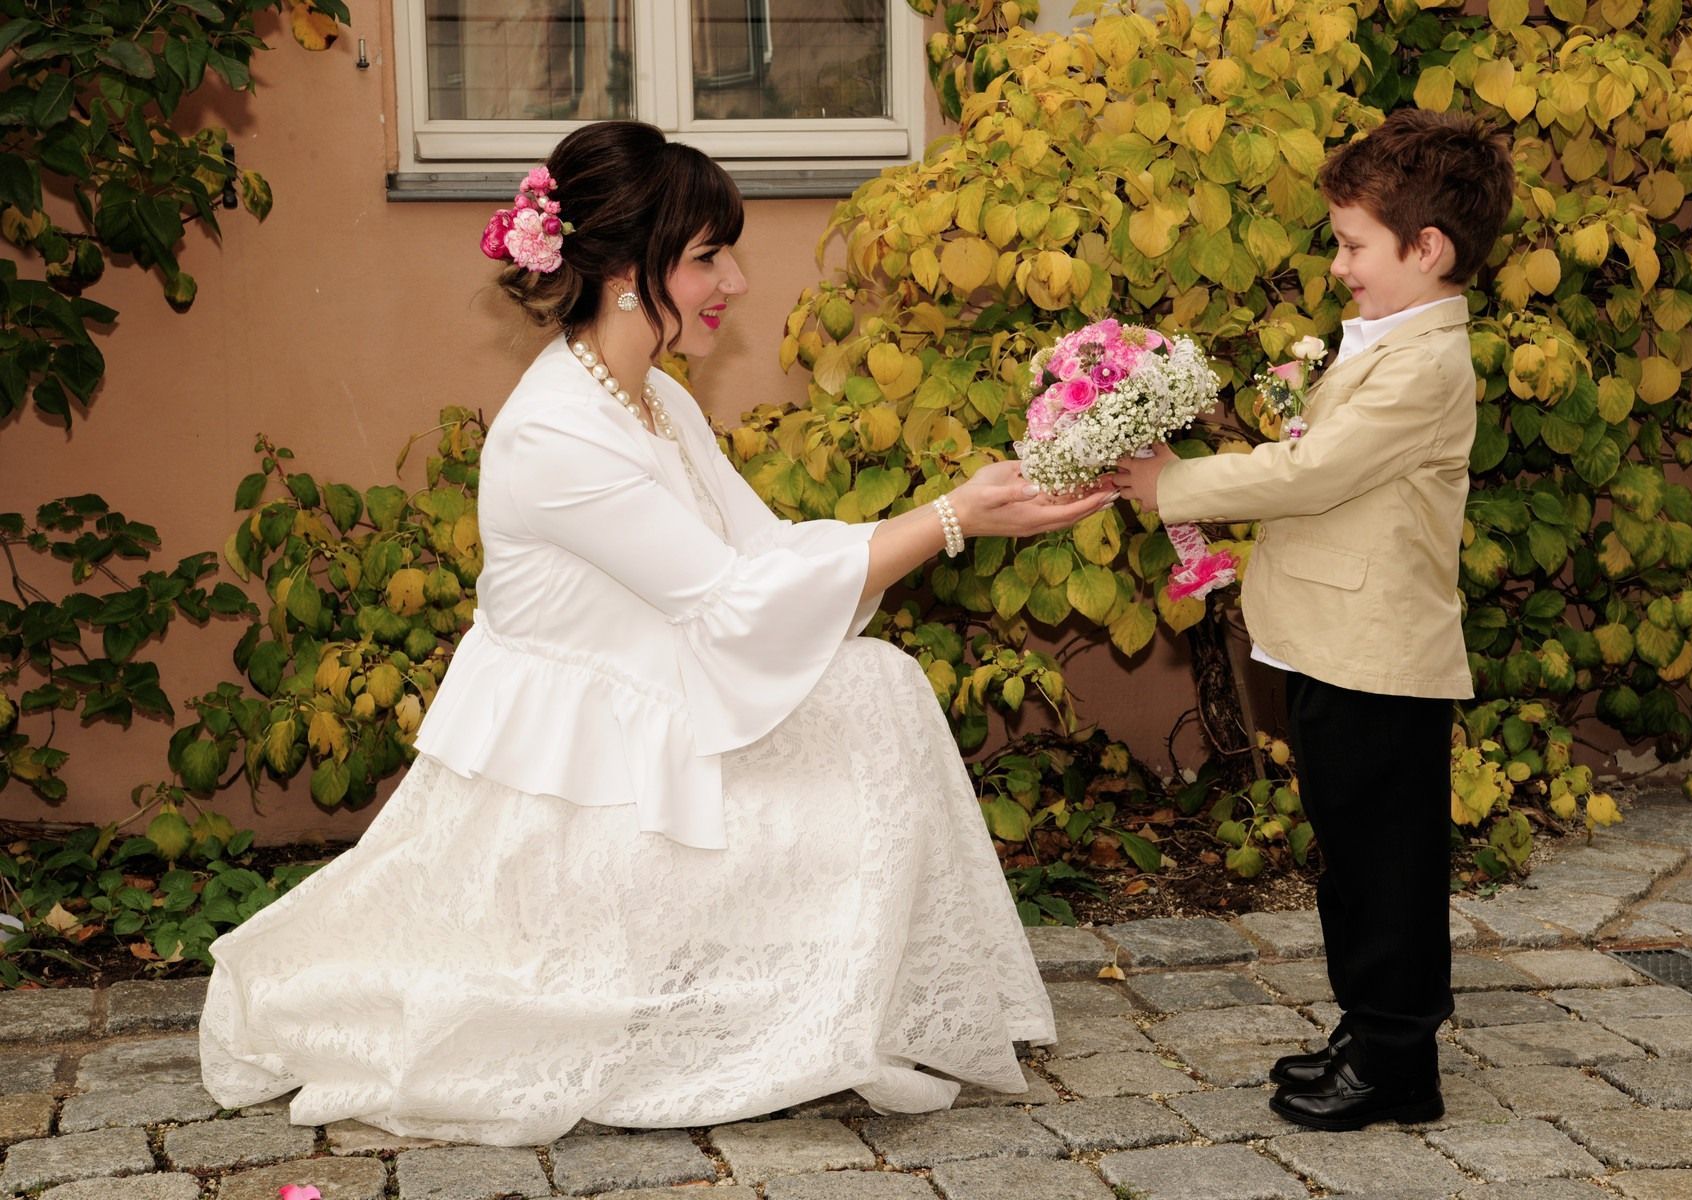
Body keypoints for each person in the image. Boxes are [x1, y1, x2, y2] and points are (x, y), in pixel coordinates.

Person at [199, 120, 1115, 1146]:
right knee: (868, 694)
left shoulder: (654, 397)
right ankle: (795, 1007)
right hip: (576, 771)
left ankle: (856, 1001)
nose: (734, 281)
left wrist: (956, 512)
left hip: (650, 706)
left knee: (876, 684)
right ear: (626, 272)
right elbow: (731, 605)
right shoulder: (556, 431)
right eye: (707, 257)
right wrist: (949, 520)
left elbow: (764, 554)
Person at [1112, 107, 1515, 1132]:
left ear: (1428, 249)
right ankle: (1370, 1030)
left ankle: (1398, 1063)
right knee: (1352, 853)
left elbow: (1315, 472)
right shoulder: (1390, 339)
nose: (1338, 266)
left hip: (1379, 654)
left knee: (1389, 865)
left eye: (1352, 245)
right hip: (1337, 644)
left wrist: (1172, 484)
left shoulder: (1426, 364)